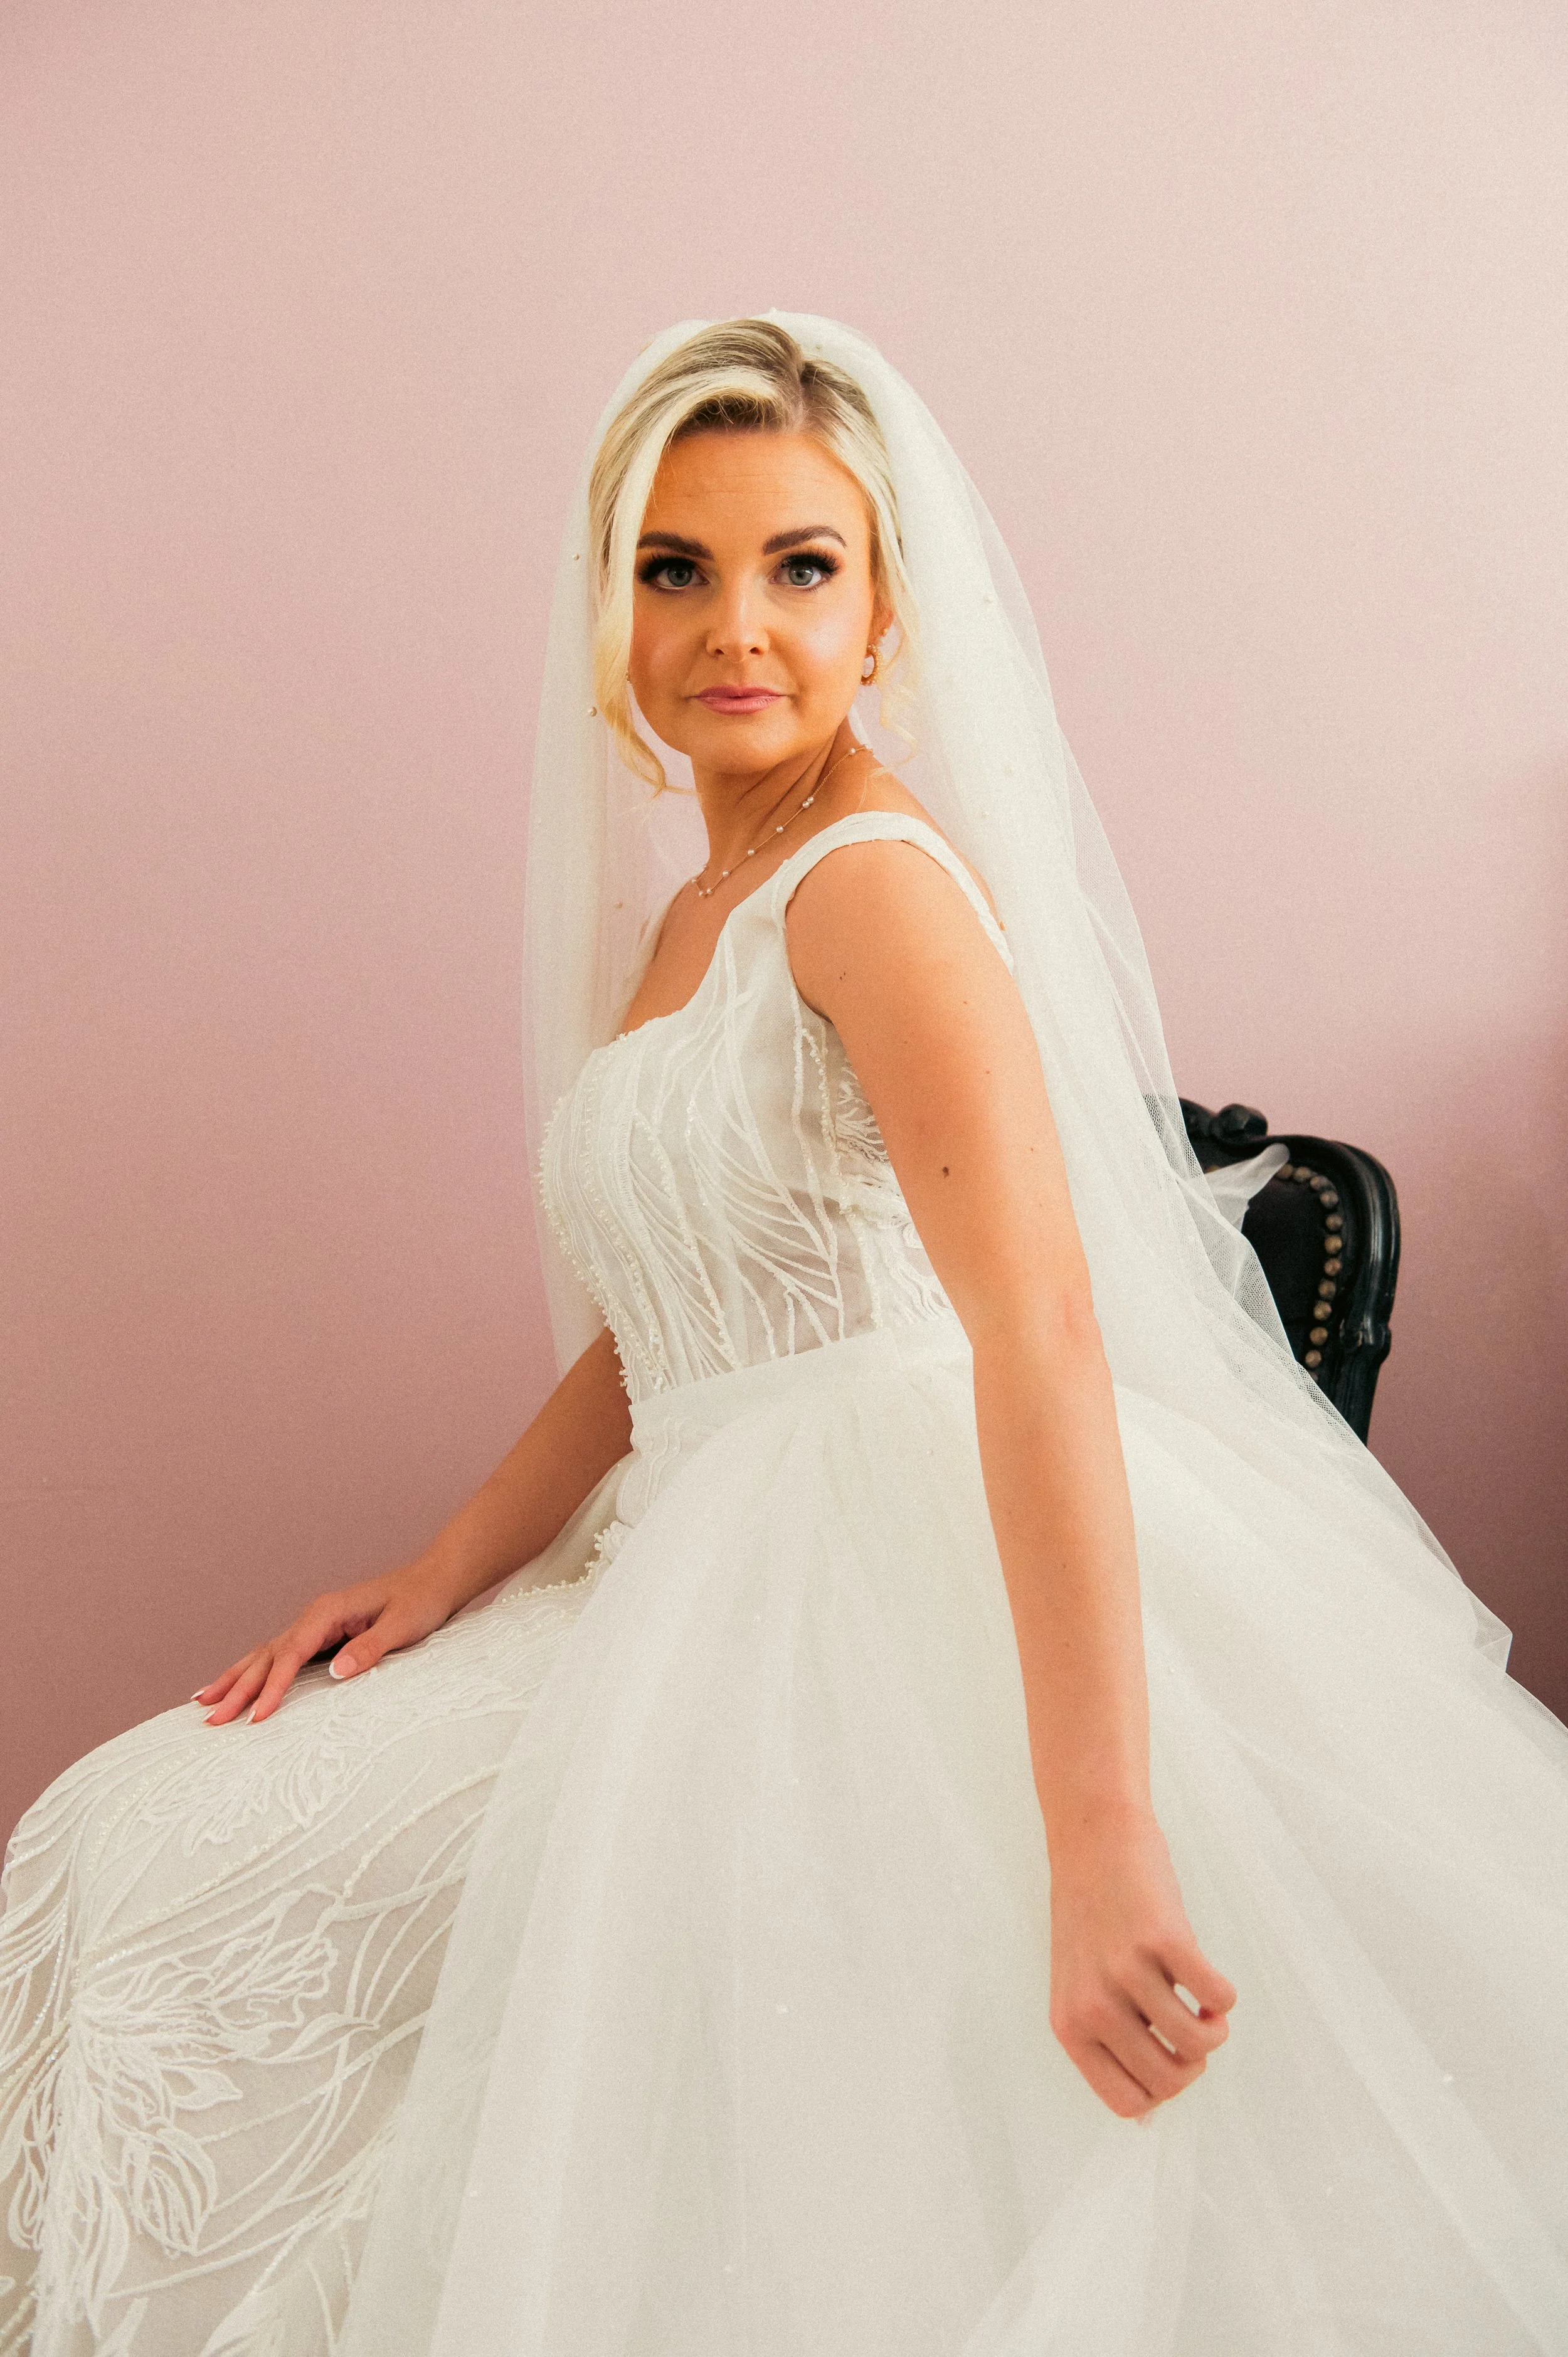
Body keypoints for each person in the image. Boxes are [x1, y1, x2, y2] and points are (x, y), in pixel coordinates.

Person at [3, 313, 1565, 2357]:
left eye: (798, 565)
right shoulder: (697, 913)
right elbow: (672, 1316)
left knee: (217, 1894)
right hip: (677, 1552)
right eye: (675, 567)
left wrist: (1096, 1839)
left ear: (884, 606)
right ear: (614, 607)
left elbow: (1041, 1329)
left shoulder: (872, 894)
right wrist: (441, 1567)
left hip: (873, 1567)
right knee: (133, 1832)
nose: (734, 623)